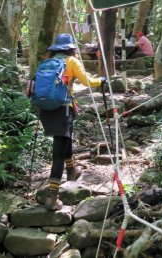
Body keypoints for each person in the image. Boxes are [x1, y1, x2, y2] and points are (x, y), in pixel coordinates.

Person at [31, 33, 105, 211]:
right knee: (58, 152)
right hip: (63, 108)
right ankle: (52, 197)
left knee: (65, 138)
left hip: (46, 110)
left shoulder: (45, 62)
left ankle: (71, 170)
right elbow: (87, 81)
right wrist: (101, 80)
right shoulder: (71, 61)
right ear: (71, 48)